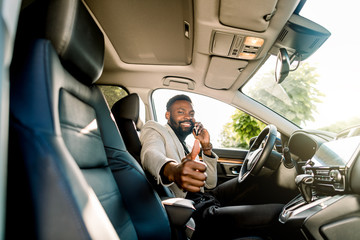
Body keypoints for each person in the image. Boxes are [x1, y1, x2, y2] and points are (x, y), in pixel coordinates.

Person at [140, 94, 284, 239]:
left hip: (206, 196)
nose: (188, 117)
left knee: (257, 182)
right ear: (167, 115)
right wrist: (173, 170)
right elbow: (150, 154)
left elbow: (209, 183)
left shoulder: (190, 146)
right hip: (192, 209)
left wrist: (206, 146)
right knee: (280, 212)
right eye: (180, 112)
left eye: (191, 114)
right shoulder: (155, 128)